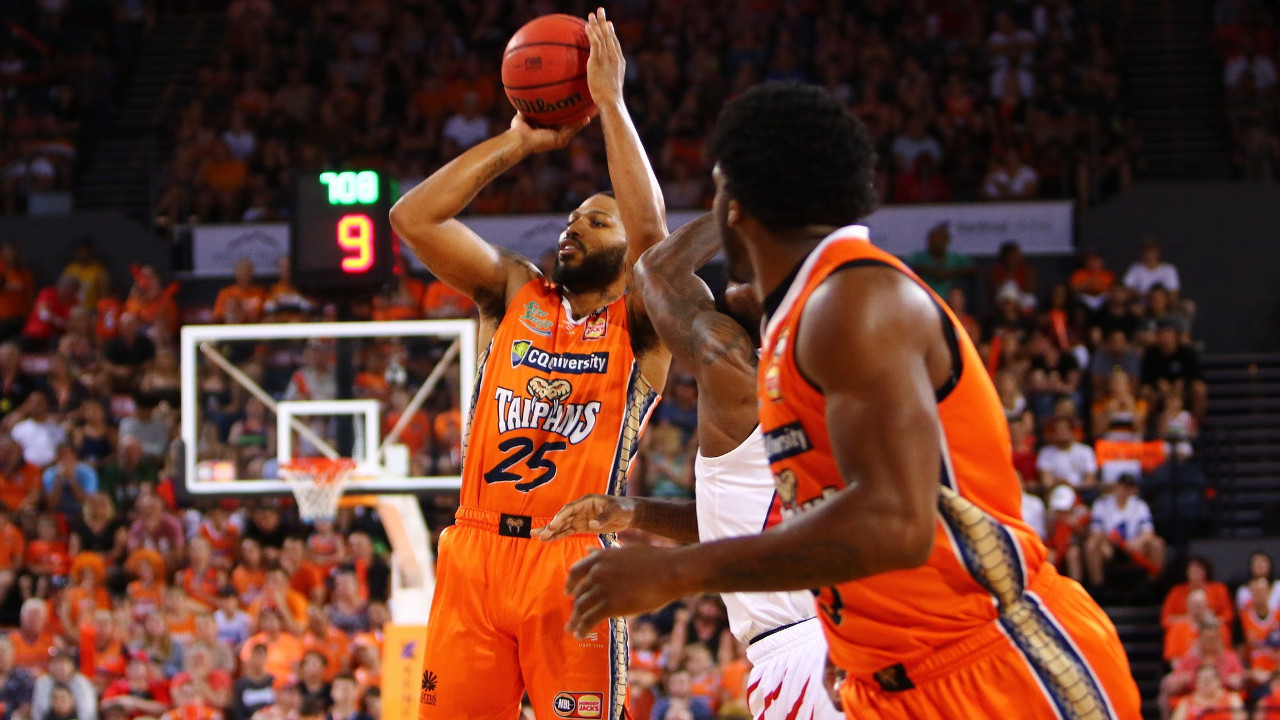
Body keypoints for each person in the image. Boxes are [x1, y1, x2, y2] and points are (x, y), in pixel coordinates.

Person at [562, 82, 1141, 719]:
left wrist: (678, 574)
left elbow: (897, 524)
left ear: (738, 202)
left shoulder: (856, 301)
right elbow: (819, 519)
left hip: (991, 662)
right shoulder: (807, 322)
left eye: (722, 189)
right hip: (885, 670)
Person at [388, 12, 670, 720]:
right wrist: (518, 141)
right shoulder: (516, 290)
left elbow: (653, 236)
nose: (573, 226)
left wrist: (609, 103)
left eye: (596, 221)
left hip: (568, 557)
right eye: (572, 217)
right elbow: (413, 219)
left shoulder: (642, 325)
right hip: (475, 549)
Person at [539, 214, 843, 720]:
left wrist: (741, 203)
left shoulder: (734, 365)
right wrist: (635, 512)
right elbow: (748, 530)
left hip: (805, 654)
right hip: (843, 638)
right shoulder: (831, 388)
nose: (742, 268)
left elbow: (658, 271)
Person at [1083, 475, 1165, 586]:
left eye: (1128, 487)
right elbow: (1095, 531)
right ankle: (1098, 588)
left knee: (1157, 543)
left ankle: (1152, 586)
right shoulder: (1102, 504)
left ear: (1134, 490)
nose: (1124, 490)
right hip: (1109, 546)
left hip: (1133, 546)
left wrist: (1137, 542)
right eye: (1122, 486)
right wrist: (1109, 540)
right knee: (1091, 544)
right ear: (1116, 486)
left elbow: (1148, 532)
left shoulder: (1140, 505)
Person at [903, 223, 974, 298]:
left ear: (946, 241)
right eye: (932, 239)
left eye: (939, 239)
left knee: (957, 294)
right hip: (923, 298)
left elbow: (973, 269)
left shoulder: (955, 257)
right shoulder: (919, 257)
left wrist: (950, 273)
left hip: (949, 299)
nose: (935, 243)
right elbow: (903, 266)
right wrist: (930, 271)